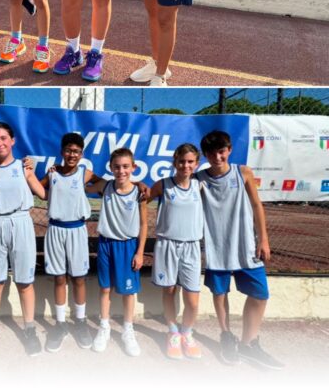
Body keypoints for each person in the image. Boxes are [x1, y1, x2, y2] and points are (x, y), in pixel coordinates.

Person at [196, 130, 282, 368]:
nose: (217, 157)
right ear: (205, 154)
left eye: (221, 151)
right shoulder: (199, 178)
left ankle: (248, 343)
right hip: (217, 248)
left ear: (230, 150)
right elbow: (174, 188)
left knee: (260, 294)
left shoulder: (243, 172)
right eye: (212, 153)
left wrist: (263, 239)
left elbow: (256, 205)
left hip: (247, 247)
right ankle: (226, 335)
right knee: (220, 293)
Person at [0, 122, 46, 358]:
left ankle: (30, 330)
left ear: (12, 140)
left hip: (21, 223)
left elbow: (43, 194)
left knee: (24, 282)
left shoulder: (23, 167)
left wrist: (35, 174)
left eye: (3, 138)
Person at [41, 133, 102, 352]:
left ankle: (81, 321)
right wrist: (33, 174)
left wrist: (92, 189)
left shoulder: (85, 174)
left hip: (77, 230)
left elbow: (104, 183)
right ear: (62, 151)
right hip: (56, 229)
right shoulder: (53, 174)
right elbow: (38, 189)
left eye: (76, 151)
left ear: (81, 154)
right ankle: (60, 324)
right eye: (68, 150)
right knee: (59, 278)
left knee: (78, 279)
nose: (72, 154)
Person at [90, 148, 147, 355]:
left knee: (128, 291)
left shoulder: (139, 192)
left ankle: (127, 330)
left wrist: (140, 252)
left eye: (125, 166)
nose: (121, 171)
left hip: (128, 246)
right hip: (106, 244)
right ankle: (104, 327)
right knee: (105, 289)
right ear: (111, 168)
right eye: (117, 166)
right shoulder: (105, 186)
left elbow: (143, 224)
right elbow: (83, 182)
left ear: (133, 167)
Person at [149, 143, 203, 360]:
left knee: (192, 299)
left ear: (196, 164)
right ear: (174, 162)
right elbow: (142, 199)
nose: (185, 165)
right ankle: (173, 333)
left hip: (191, 246)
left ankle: (187, 333)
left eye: (190, 162)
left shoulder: (200, 186)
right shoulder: (164, 185)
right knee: (169, 291)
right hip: (167, 244)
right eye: (181, 161)